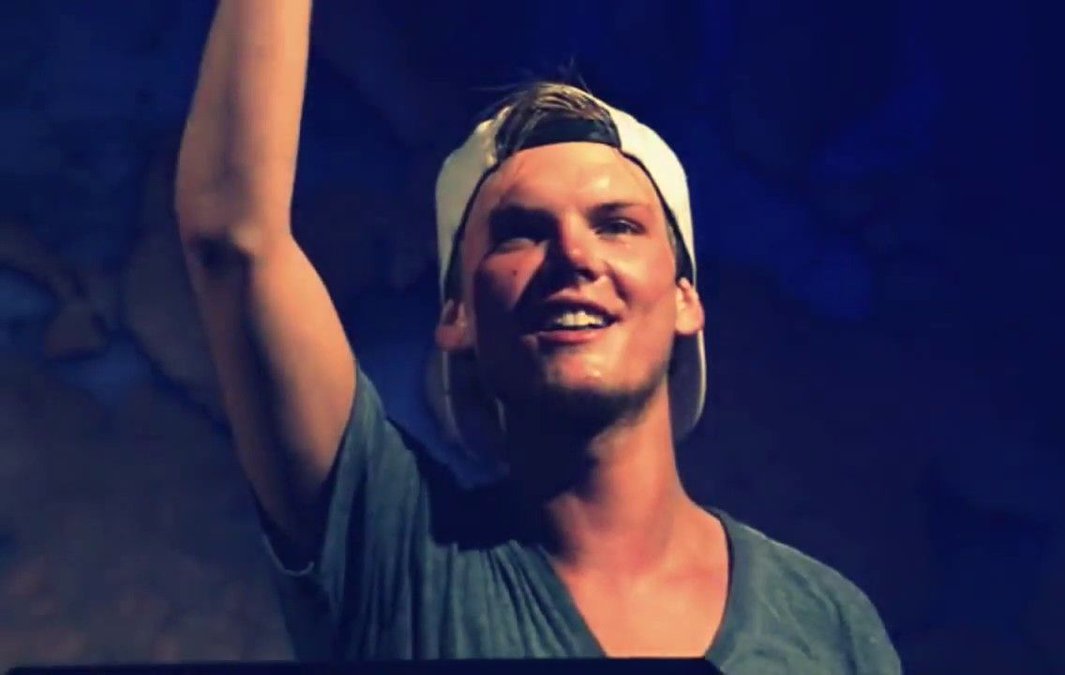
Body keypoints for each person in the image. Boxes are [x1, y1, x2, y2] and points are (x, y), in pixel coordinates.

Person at [175, 1, 902, 672]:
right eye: (520, 232)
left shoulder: (824, 621)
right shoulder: (400, 561)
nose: (574, 256)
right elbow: (234, 239)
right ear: (456, 314)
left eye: (617, 225)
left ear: (686, 298)